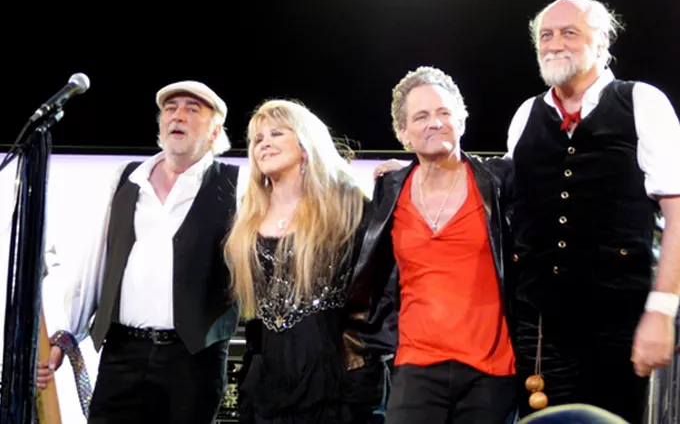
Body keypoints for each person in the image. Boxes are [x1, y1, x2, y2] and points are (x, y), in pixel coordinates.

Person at [505, 0, 680, 423]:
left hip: (617, 324)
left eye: (570, 33)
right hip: (540, 327)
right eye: (546, 35)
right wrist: (420, 166)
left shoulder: (642, 102)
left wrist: (661, 312)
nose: (554, 43)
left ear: (601, 43)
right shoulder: (526, 114)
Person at [36, 80, 241, 424]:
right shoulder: (127, 178)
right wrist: (68, 334)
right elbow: (97, 262)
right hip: (123, 353)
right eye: (170, 108)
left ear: (215, 131)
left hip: (193, 360)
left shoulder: (235, 186)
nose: (178, 116)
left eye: (192, 109)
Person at [356, 66, 517, 424]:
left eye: (444, 112)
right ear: (403, 132)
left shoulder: (499, 182)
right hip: (415, 367)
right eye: (421, 116)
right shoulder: (390, 190)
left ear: (461, 120)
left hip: (490, 371)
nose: (435, 123)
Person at [223, 99, 381, 424]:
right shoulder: (248, 219)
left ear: (306, 145)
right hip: (268, 376)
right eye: (257, 138)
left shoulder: (348, 207)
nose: (264, 143)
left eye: (276, 133)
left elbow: (379, 289)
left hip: (333, 375)